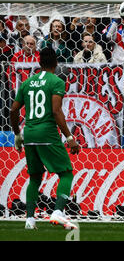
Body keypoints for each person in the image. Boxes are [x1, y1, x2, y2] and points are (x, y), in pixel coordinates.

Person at [10, 47, 81, 230]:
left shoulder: (27, 82)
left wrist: (17, 134)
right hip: (47, 133)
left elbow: (13, 110)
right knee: (66, 173)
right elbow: (56, 111)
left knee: (34, 178)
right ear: (56, 63)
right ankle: (58, 212)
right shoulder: (56, 81)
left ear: (39, 62)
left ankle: (30, 220)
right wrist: (69, 137)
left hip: (30, 134)